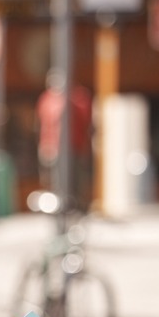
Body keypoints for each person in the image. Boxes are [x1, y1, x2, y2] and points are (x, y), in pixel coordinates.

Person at [36, 69, 94, 213]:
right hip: (52, 148)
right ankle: (58, 207)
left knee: (77, 180)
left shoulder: (79, 97)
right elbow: (43, 123)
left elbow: (86, 121)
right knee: (55, 180)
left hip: (76, 147)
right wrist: (44, 146)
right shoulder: (46, 99)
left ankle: (78, 207)